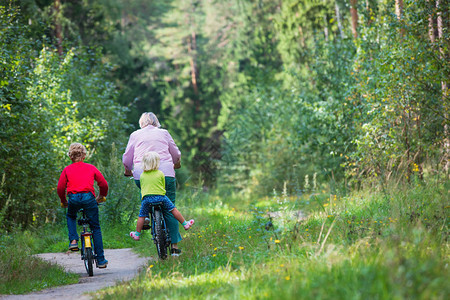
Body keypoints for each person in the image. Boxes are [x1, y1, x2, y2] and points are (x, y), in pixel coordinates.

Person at [122, 112, 184, 256]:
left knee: (145, 188)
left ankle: (147, 216)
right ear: (156, 122)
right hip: (166, 173)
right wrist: (176, 163)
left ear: (141, 123)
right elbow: (176, 153)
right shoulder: (164, 133)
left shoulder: (135, 135)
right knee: (170, 207)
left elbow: (127, 159)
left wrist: (128, 170)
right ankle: (174, 247)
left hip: (140, 172)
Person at [57, 143, 109, 268]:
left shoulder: (67, 170)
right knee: (95, 227)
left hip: (73, 198)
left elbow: (60, 188)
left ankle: (74, 241)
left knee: (71, 216)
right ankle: (101, 260)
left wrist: (64, 201)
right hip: (89, 198)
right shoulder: (91, 167)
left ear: (70, 156)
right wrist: (101, 196)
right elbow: (103, 184)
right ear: (84, 155)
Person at [130, 152, 194, 240]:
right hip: (161, 197)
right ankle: (185, 224)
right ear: (157, 163)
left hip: (147, 199)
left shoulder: (142, 175)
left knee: (142, 216)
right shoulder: (160, 173)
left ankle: (137, 234)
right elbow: (162, 186)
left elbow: (143, 188)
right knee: (173, 209)